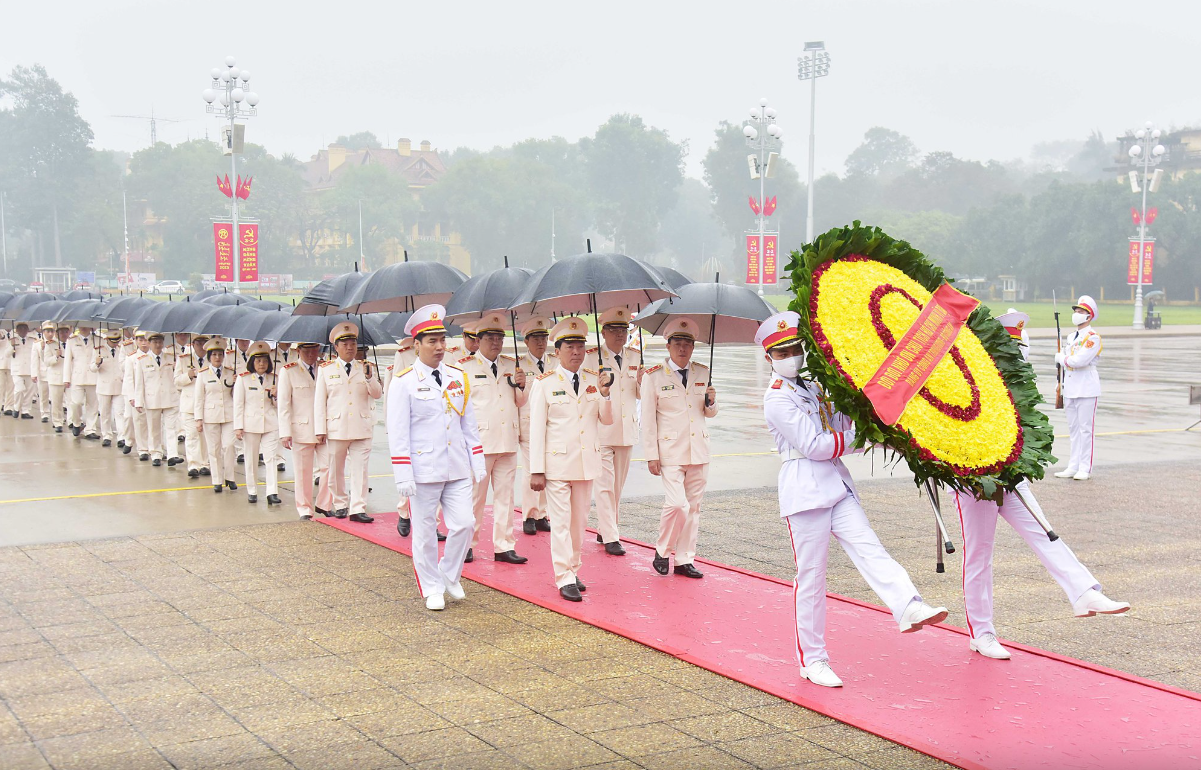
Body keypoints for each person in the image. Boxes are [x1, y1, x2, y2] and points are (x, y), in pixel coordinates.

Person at [757, 311, 948, 688]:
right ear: (769, 359)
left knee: (870, 547)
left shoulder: (813, 387)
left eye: (795, 348)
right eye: (782, 353)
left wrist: (873, 421)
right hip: (805, 491)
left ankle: (908, 605)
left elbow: (840, 425)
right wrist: (865, 440)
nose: (791, 356)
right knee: (811, 578)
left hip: (837, 485)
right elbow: (814, 445)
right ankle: (812, 660)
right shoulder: (777, 399)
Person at [954, 312, 1129, 660]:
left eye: (1020, 348)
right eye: (1011, 349)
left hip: (1011, 478)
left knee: (1045, 532)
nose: (1018, 355)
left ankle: (1084, 591)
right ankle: (982, 632)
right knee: (978, 558)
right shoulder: (965, 381)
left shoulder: (1014, 383)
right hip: (974, 482)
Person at [387, 305, 486, 610]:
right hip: (423, 469)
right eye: (432, 341)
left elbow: (468, 423)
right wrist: (403, 474)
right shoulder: (404, 382)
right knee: (426, 532)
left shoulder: (457, 376)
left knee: (465, 524)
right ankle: (431, 587)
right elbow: (398, 432)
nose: (440, 346)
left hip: (456, 467)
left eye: (442, 340)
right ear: (416, 345)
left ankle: (448, 573)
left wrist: (477, 460)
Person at [528, 317, 613, 602]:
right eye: (570, 346)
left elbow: (607, 419)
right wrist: (536, 470)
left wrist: (605, 393)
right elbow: (536, 430)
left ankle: (574, 569)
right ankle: (563, 576)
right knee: (561, 523)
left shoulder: (593, 380)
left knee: (579, 523)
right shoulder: (544, 384)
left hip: (586, 464)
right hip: (557, 466)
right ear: (557, 351)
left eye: (580, 346)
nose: (576, 352)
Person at [640, 318, 718, 578]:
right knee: (677, 505)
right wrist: (651, 455)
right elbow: (647, 420)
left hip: (698, 449)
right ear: (668, 345)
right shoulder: (653, 377)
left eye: (687, 344)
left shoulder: (702, 372)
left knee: (693, 508)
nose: (682, 349)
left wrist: (712, 402)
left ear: (693, 347)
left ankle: (684, 559)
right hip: (670, 451)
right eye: (678, 343)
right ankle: (662, 551)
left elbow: (710, 412)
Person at [458, 313, 528, 564]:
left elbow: (521, 402)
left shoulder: (512, 366)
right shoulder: (465, 368)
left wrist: (521, 387)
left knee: (506, 497)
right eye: (490, 337)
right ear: (478, 340)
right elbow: (460, 408)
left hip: (507, 439)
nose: (496, 342)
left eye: (499, 337)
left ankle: (504, 545)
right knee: (476, 497)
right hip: (480, 441)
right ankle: (467, 543)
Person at [583, 308, 643, 556]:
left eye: (623, 330)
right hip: (602, 430)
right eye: (614, 330)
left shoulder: (635, 356)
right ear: (604, 332)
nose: (620, 335)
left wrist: (641, 381)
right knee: (605, 485)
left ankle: (605, 527)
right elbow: (585, 393)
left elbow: (640, 394)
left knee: (617, 486)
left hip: (627, 429)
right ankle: (611, 535)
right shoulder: (591, 358)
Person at [314, 321, 382, 523]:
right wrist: (320, 429)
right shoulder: (326, 370)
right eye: (344, 344)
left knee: (360, 470)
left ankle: (358, 507)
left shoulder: (365, 368)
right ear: (336, 347)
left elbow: (377, 394)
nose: (350, 347)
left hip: (361, 427)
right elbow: (320, 402)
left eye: (353, 343)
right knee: (336, 469)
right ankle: (340, 503)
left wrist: (370, 379)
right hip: (337, 427)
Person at [278, 342, 332, 520]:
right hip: (301, 428)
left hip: (325, 428)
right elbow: (284, 404)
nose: (311, 354)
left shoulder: (326, 368)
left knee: (329, 467)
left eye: (314, 350)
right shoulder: (289, 371)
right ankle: (304, 508)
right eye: (306, 351)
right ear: (298, 351)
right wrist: (285, 432)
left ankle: (324, 504)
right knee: (303, 472)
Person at [1054, 295, 1102, 481]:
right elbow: (1066, 363)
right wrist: (1059, 383)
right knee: (1073, 429)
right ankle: (1073, 465)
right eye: (1076, 311)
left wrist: (1062, 359)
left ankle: (1085, 467)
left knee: (1085, 430)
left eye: (1081, 312)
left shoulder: (1093, 337)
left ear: (1089, 316)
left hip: (1087, 387)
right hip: (1071, 386)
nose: (1076, 314)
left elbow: (1079, 361)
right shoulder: (1071, 336)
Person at [517, 317, 555, 535]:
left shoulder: (554, 363)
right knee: (532, 470)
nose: (541, 343)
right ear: (526, 341)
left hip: (551, 424)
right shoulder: (519, 365)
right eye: (536, 338)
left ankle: (541, 513)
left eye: (543, 338)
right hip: (529, 423)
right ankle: (529, 515)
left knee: (546, 469)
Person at [234, 341, 281, 505]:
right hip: (250, 424)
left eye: (265, 361)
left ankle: (272, 491)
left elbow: (279, 405)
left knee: (271, 458)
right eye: (258, 361)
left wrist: (276, 395)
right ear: (252, 362)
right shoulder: (243, 379)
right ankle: (252, 490)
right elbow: (238, 404)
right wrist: (238, 427)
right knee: (251, 458)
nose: (262, 364)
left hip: (270, 423)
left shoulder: (274, 379)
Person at [195, 338, 237, 492]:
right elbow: (199, 398)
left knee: (229, 446)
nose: (218, 358)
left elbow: (235, 395)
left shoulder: (230, 372)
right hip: (210, 415)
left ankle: (230, 477)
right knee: (214, 449)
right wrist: (198, 419)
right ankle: (217, 480)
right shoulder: (203, 374)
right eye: (214, 355)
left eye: (220, 354)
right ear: (209, 357)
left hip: (228, 413)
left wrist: (235, 383)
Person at [132, 332, 178, 467]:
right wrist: (138, 401)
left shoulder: (171, 358)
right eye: (155, 342)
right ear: (150, 343)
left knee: (171, 427)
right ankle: (156, 453)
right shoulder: (142, 360)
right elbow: (139, 383)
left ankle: (172, 454)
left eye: (160, 342)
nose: (158, 345)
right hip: (152, 399)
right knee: (154, 429)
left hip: (169, 397)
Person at [174, 336, 211, 477]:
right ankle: (193, 465)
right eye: (198, 343)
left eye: (204, 343)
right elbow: (176, 381)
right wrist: (187, 376)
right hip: (189, 403)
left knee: (204, 436)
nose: (201, 346)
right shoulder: (184, 359)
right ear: (193, 344)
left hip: (206, 404)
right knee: (191, 435)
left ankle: (205, 464)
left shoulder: (211, 359)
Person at [64, 324, 101, 439]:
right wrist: (66, 378)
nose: (84, 327)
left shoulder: (97, 340)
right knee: (76, 403)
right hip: (77, 377)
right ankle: (77, 423)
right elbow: (67, 361)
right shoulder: (72, 340)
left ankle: (90, 430)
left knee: (93, 405)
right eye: (81, 325)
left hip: (93, 376)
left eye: (86, 325)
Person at [95, 329, 127, 447]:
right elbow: (92, 368)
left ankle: (121, 437)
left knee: (120, 413)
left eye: (117, 341)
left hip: (118, 385)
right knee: (105, 413)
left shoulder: (121, 350)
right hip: (104, 386)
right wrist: (97, 363)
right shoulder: (99, 350)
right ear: (106, 339)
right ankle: (107, 435)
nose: (115, 343)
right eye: (112, 341)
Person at [122, 331, 150, 457]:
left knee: (151, 422)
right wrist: (132, 397)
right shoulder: (131, 357)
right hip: (133, 393)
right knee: (132, 419)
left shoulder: (154, 356)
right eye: (140, 340)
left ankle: (152, 447)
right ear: (136, 341)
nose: (144, 343)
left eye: (146, 340)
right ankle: (136, 445)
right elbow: (129, 378)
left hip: (150, 393)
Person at [43, 324, 71, 434]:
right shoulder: (50, 345)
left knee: (72, 402)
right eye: (61, 332)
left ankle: (71, 421)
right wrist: (56, 356)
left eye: (65, 332)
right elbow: (46, 361)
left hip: (69, 376)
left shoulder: (72, 343)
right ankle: (57, 422)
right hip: (56, 377)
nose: (64, 334)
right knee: (56, 402)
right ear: (57, 333)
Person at [8, 322, 36, 420]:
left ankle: (25, 411)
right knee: (19, 389)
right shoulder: (12, 340)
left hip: (29, 369)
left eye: (25, 328)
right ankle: (16, 408)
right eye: (21, 328)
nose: (23, 330)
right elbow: (7, 354)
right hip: (17, 370)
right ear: (17, 330)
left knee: (29, 392)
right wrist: (11, 346)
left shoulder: (33, 341)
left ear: (28, 330)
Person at [0, 328, 12, 417]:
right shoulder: (1, 332)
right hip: (1, 363)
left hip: (12, 363)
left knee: (11, 387)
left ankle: (9, 407)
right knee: (1, 387)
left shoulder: (15, 333)